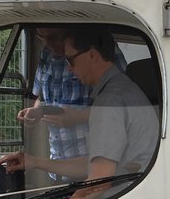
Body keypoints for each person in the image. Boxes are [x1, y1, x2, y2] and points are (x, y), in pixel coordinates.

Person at [0, 27, 157, 199]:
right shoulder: (120, 89)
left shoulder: (109, 102)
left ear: (92, 56)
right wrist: (34, 162)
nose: (68, 68)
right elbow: (96, 164)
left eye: (70, 60)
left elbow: (100, 181)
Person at [17, 27, 125, 179]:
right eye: (42, 38)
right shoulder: (46, 54)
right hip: (57, 165)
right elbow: (41, 96)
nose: (48, 44)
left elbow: (122, 103)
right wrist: (37, 111)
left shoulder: (100, 50)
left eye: (54, 37)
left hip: (93, 165)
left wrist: (79, 116)